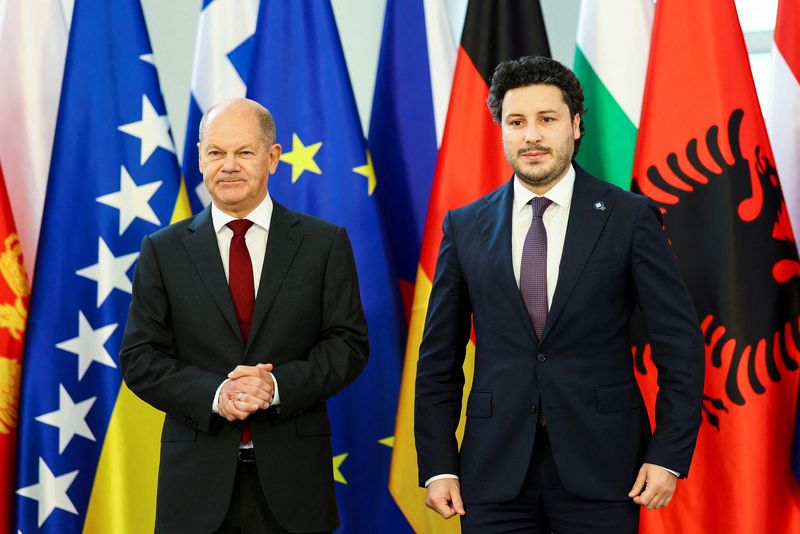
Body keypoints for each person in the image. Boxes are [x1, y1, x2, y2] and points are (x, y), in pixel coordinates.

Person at [414, 56, 704, 533]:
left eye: (546, 120)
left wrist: (669, 455)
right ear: (502, 131)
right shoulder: (464, 226)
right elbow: (438, 358)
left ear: (575, 124)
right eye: (517, 122)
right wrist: (439, 464)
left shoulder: (629, 217)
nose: (531, 136)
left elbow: (680, 346)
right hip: (492, 471)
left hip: (607, 468)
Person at [120, 98, 368, 534]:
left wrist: (274, 386)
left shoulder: (323, 243)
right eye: (216, 152)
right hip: (196, 488)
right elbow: (140, 358)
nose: (228, 165)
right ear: (200, 159)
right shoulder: (162, 249)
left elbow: (348, 344)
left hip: (295, 487)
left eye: (244, 152)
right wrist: (218, 394)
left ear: (272, 158)